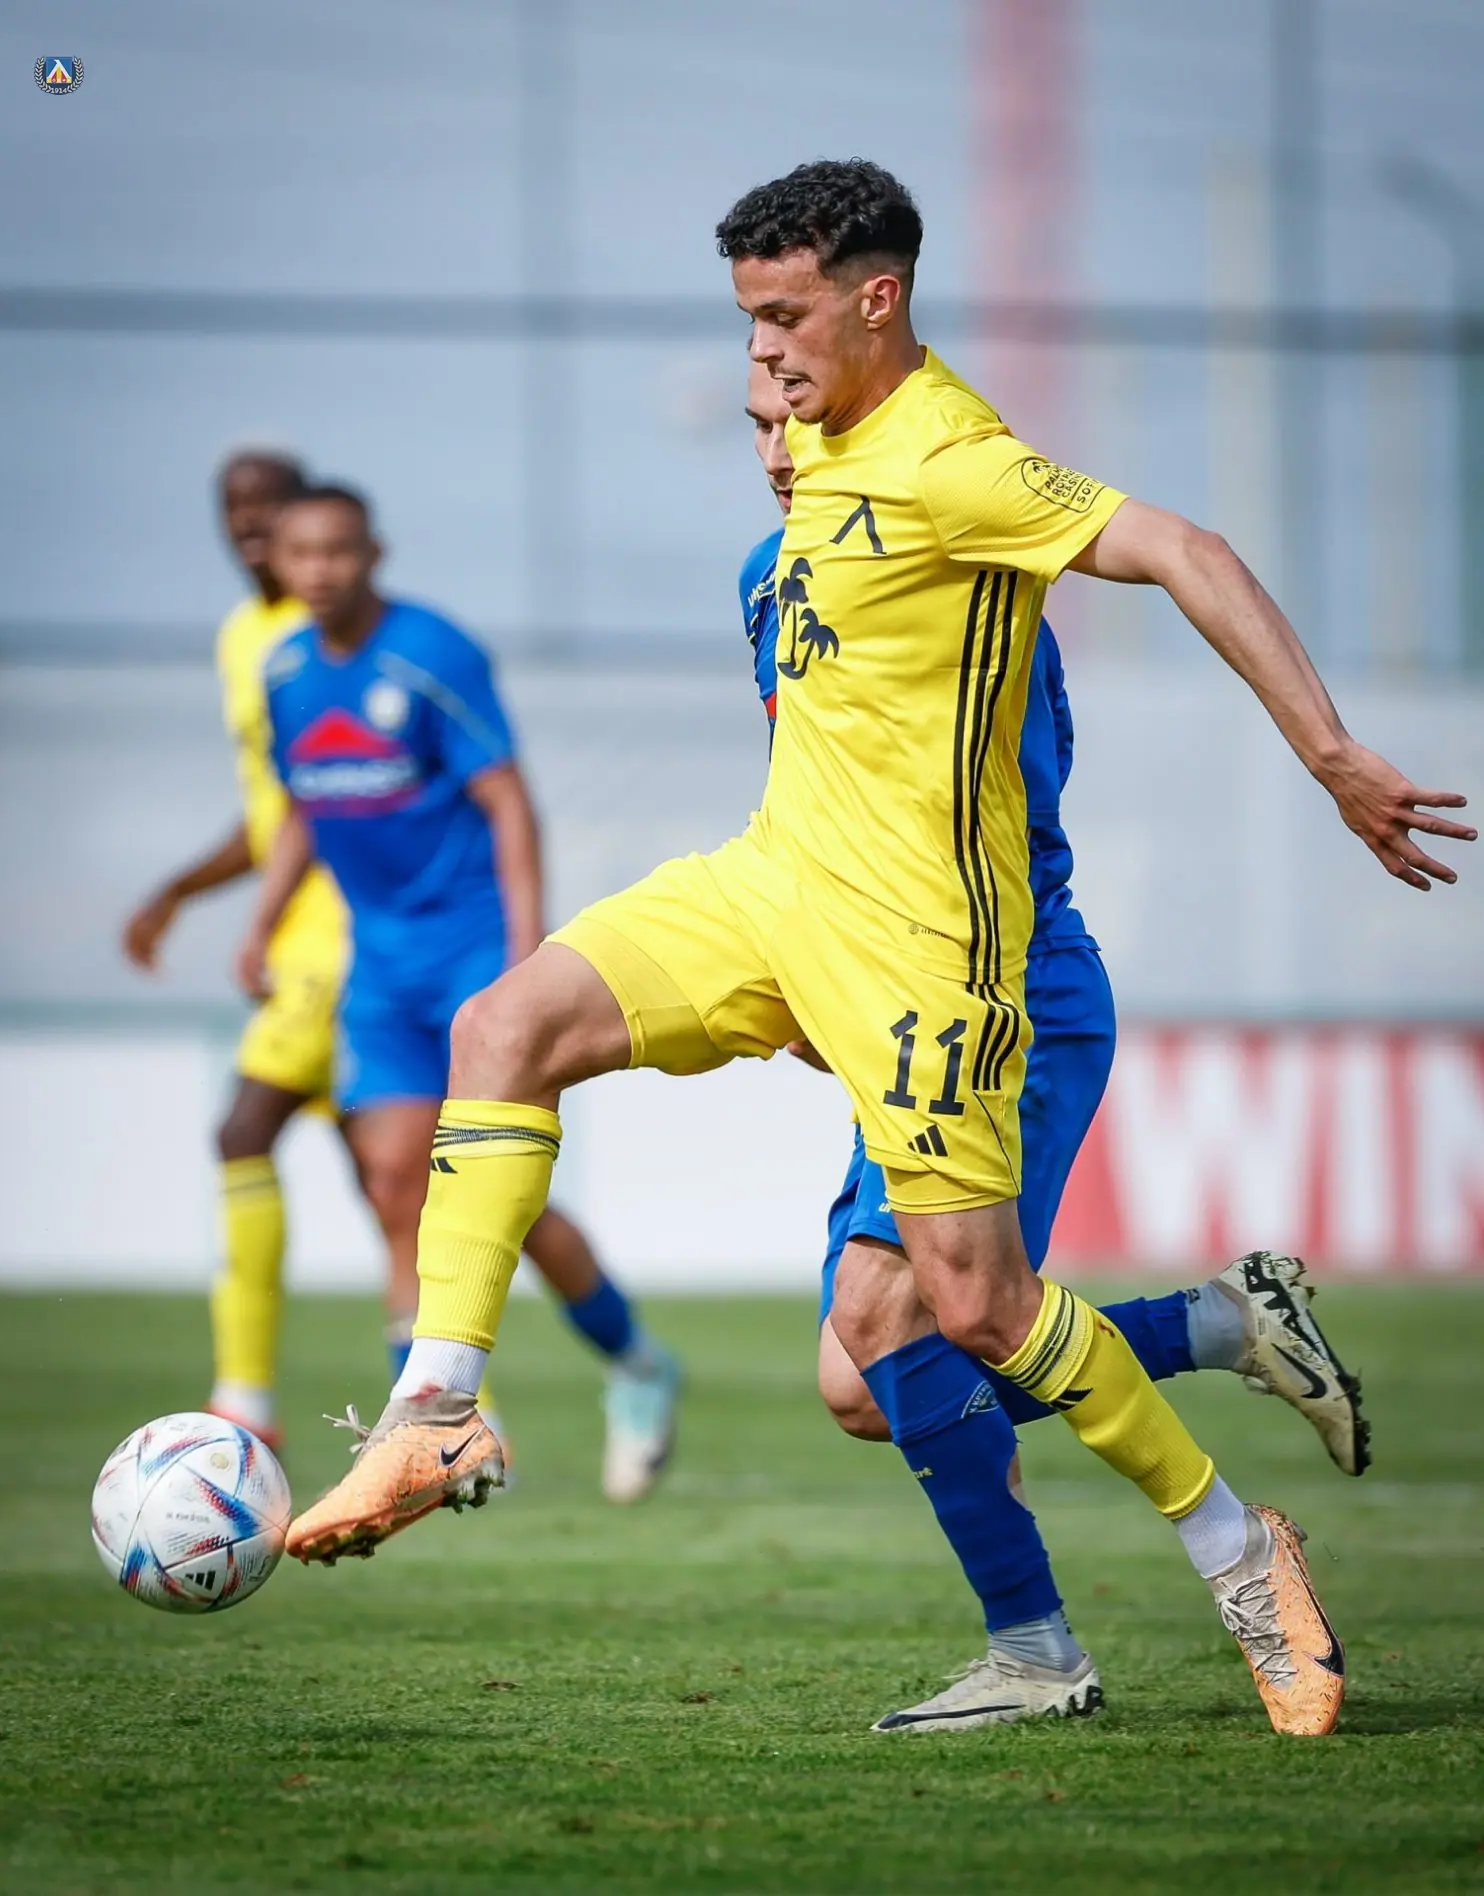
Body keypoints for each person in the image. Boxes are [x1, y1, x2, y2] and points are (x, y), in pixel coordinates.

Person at [286, 163, 1473, 1740]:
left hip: (934, 952)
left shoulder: (954, 464)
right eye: (748, 338)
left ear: (879, 297)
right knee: (501, 1029)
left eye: (785, 322)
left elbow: (1187, 550)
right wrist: (786, 988)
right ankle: (437, 1411)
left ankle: (1235, 1551)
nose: (764, 368)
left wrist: (1329, 755)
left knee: (969, 1318)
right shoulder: (791, 516)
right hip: (773, 892)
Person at [742, 355, 1369, 1731]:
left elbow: (986, 786)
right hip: (894, 992)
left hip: (999, 984)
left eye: (798, 418)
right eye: (759, 427)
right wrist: (809, 965)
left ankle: (1062, 1638)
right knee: (867, 1381)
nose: (781, 450)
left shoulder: (953, 559)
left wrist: (1329, 752)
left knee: (895, 1331)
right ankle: (1214, 1328)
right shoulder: (771, 581)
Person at [239, 485, 682, 1503]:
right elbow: (305, 806)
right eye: (302, 553)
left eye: (338, 550)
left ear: (373, 553)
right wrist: (262, 920)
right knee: (397, 1183)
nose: (320, 570)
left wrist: (525, 951)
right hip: (380, 968)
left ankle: (637, 1364)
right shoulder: (287, 673)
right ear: (279, 563)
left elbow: (508, 800)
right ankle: (444, 1425)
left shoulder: (431, 654)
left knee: (494, 1199)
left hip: (470, 953)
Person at [122, 450, 354, 1447]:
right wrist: (180, 890)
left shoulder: (329, 634)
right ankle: (602, 1363)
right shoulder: (240, 638)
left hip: (346, 931)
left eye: (271, 502)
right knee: (395, 1172)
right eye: (234, 504)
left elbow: (330, 797)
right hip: (298, 933)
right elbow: (273, 809)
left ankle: (245, 1398)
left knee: (245, 1130)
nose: (250, 521)